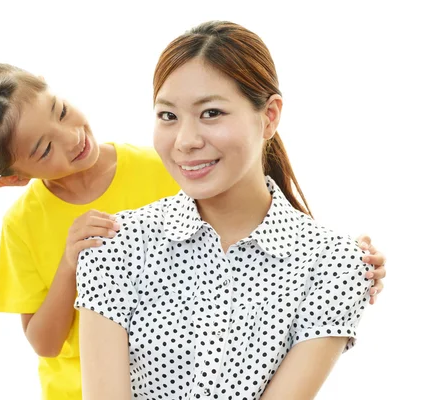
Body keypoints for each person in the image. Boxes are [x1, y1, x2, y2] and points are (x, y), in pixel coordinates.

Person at [0, 59, 386, 400]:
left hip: (188, 365)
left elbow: (247, 214)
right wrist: (69, 265)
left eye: (60, 111)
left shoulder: (166, 165)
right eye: (43, 148)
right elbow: (44, 342)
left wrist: (341, 259)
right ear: (15, 177)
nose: (70, 136)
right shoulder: (24, 223)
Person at [75, 21, 381, 400]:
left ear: (269, 116)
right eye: (168, 116)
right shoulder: (113, 247)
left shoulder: (336, 264)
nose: (185, 141)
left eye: (211, 113)